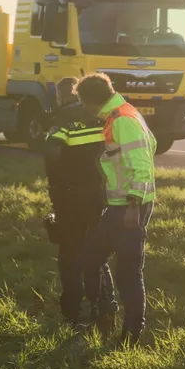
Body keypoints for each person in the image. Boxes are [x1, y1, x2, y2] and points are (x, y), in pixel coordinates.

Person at [77, 73, 157, 348]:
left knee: (128, 271)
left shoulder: (123, 119)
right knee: (92, 258)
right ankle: (107, 310)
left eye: (83, 103)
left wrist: (134, 206)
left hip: (129, 207)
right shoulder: (123, 114)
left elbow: (142, 163)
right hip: (120, 205)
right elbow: (152, 146)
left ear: (90, 101)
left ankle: (132, 333)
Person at [43, 77, 115, 329]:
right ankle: (104, 305)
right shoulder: (102, 116)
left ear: (62, 97)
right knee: (96, 253)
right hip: (100, 194)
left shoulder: (61, 119)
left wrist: (55, 187)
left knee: (70, 253)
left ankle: (74, 310)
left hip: (70, 196)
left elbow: (52, 154)